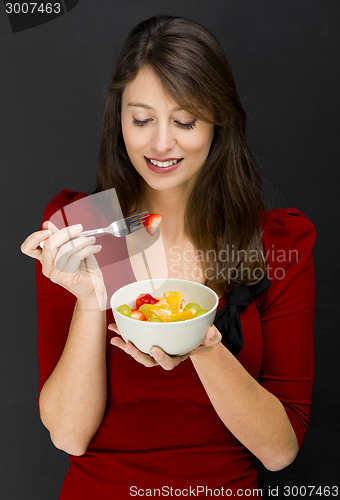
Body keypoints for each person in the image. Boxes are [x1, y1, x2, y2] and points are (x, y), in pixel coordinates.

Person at [20, 15, 316, 500]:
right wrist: (91, 301)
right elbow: (69, 435)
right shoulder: (90, 228)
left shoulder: (272, 243)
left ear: (219, 121)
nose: (160, 144)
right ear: (119, 120)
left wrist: (205, 347)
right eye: (141, 120)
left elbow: (279, 452)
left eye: (184, 121)